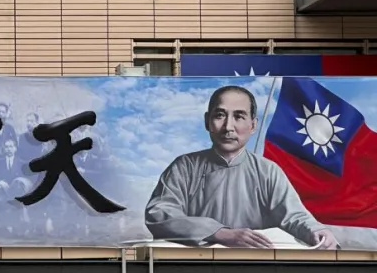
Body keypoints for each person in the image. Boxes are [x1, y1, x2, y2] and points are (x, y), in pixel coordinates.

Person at [145, 85, 338, 249]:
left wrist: (317, 230)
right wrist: (220, 233)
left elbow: (293, 215)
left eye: (239, 116)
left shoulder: (267, 171)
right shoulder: (184, 167)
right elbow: (160, 214)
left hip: (255, 269)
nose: (228, 126)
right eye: (220, 115)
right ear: (207, 121)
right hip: (195, 266)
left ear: (253, 125)